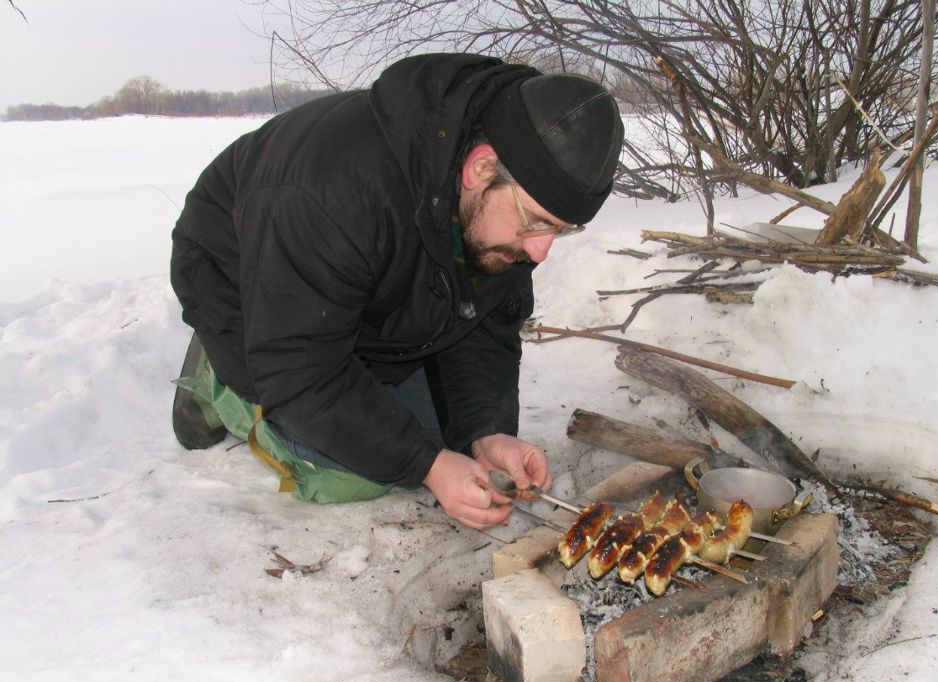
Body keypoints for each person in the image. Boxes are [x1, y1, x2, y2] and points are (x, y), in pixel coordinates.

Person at [169, 52, 624, 530]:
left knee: (442, 439)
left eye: (561, 231)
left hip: (363, 285)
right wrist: (428, 465)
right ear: (481, 168)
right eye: (537, 224)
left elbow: (482, 320)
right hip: (243, 279)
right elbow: (303, 373)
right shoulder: (333, 195)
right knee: (356, 467)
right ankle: (219, 376)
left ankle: (352, 344)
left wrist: (485, 431)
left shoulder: (510, 183)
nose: (541, 252)